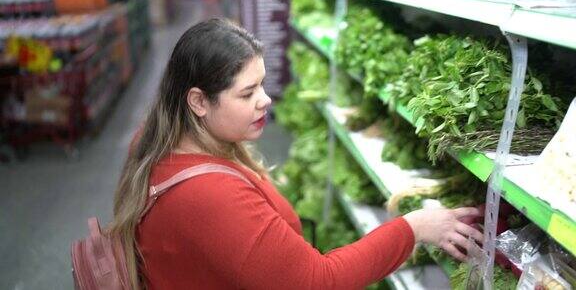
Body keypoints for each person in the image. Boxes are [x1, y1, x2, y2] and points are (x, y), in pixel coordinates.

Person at [109, 18, 483, 289]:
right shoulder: (209, 196)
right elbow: (318, 280)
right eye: (247, 93)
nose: (265, 100)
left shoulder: (155, 141)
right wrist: (414, 228)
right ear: (198, 101)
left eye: (263, 85)